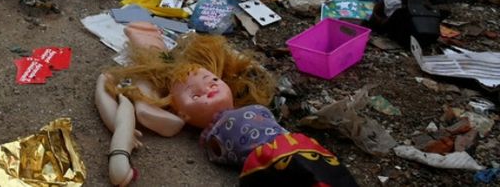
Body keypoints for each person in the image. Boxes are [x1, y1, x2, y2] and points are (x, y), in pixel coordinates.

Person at [95, 29, 358, 187]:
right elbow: (150, 115)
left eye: (213, 80)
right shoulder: (209, 135)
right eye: (196, 94)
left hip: (298, 145)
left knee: (330, 174)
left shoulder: (253, 106)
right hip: (267, 163)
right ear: (182, 114)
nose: (208, 87)